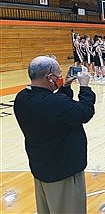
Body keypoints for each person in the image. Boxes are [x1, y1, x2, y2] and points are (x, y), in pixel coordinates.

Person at [13, 56, 96, 214]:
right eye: (58, 74)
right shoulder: (56, 104)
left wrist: (65, 87)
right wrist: (85, 88)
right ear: (50, 78)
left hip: (41, 169)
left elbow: (55, 109)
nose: (60, 76)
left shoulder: (22, 98)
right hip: (63, 173)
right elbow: (84, 112)